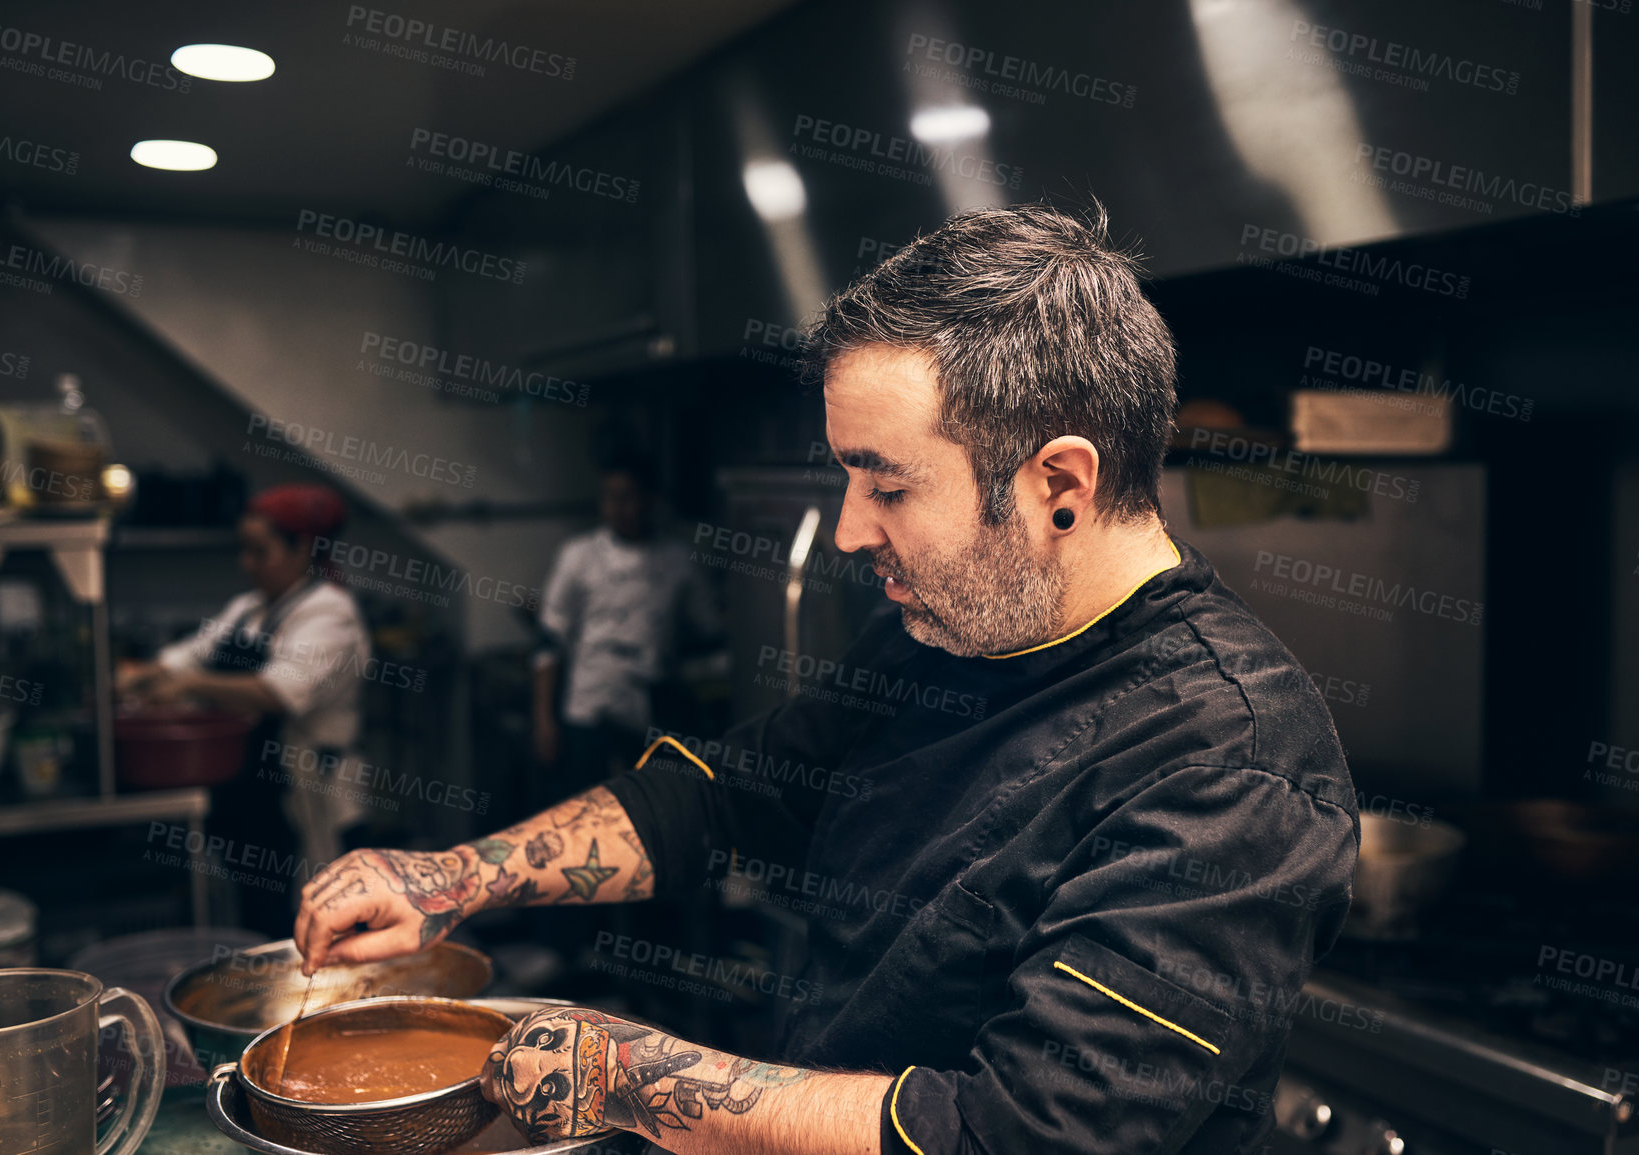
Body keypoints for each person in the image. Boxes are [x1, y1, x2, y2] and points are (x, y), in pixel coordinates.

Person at [294, 203, 1358, 1155]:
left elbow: (1016, 1134)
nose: (852, 533)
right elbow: (724, 794)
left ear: (1060, 485)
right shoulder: (944, 629)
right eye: (849, 478)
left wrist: (633, 1079)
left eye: (888, 487)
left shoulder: (1231, 763)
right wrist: (453, 879)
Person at [120, 483, 372, 937]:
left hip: (305, 785)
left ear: (302, 550)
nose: (246, 564)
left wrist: (189, 685)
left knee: (311, 919)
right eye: (244, 551)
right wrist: (135, 676)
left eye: (260, 552)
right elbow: (189, 655)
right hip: (248, 785)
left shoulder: (330, 613)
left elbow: (279, 693)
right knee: (255, 912)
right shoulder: (248, 608)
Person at [531, 447, 720, 797]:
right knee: (585, 807)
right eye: (610, 498)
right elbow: (548, 642)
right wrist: (544, 720)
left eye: (627, 497)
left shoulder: (678, 560)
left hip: (651, 706)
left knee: (648, 804)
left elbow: (707, 630)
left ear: (650, 500)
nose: (618, 508)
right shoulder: (579, 556)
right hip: (589, 702)